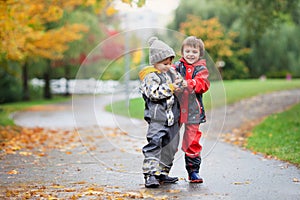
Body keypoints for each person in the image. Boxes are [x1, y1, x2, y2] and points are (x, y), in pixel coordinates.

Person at [139, 37, 184, 188]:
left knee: (170, 146)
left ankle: (163, 172)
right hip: (157, 119)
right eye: (165, 64)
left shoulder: (170, 73)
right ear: (155, 62)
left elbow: (179, 83)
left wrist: (180, 85)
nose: (169, 66)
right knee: (155, 144)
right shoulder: (150, 77)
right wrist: (171, 88)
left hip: (172, 119)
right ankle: (150, 174)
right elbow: (154, 93)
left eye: (170, 63)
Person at [174, 36, 210, 183]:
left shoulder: (201, 69)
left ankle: (193, 171)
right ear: (182, 52)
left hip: (193, 111)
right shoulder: (176, 67)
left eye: (194, 51)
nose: (190, 54)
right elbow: (168, 76)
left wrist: (189, 83)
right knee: (169, 139)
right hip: (176, 109)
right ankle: (162, 170)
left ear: (199, 53)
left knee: (192, 141)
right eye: (187, 51)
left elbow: (203, 84)